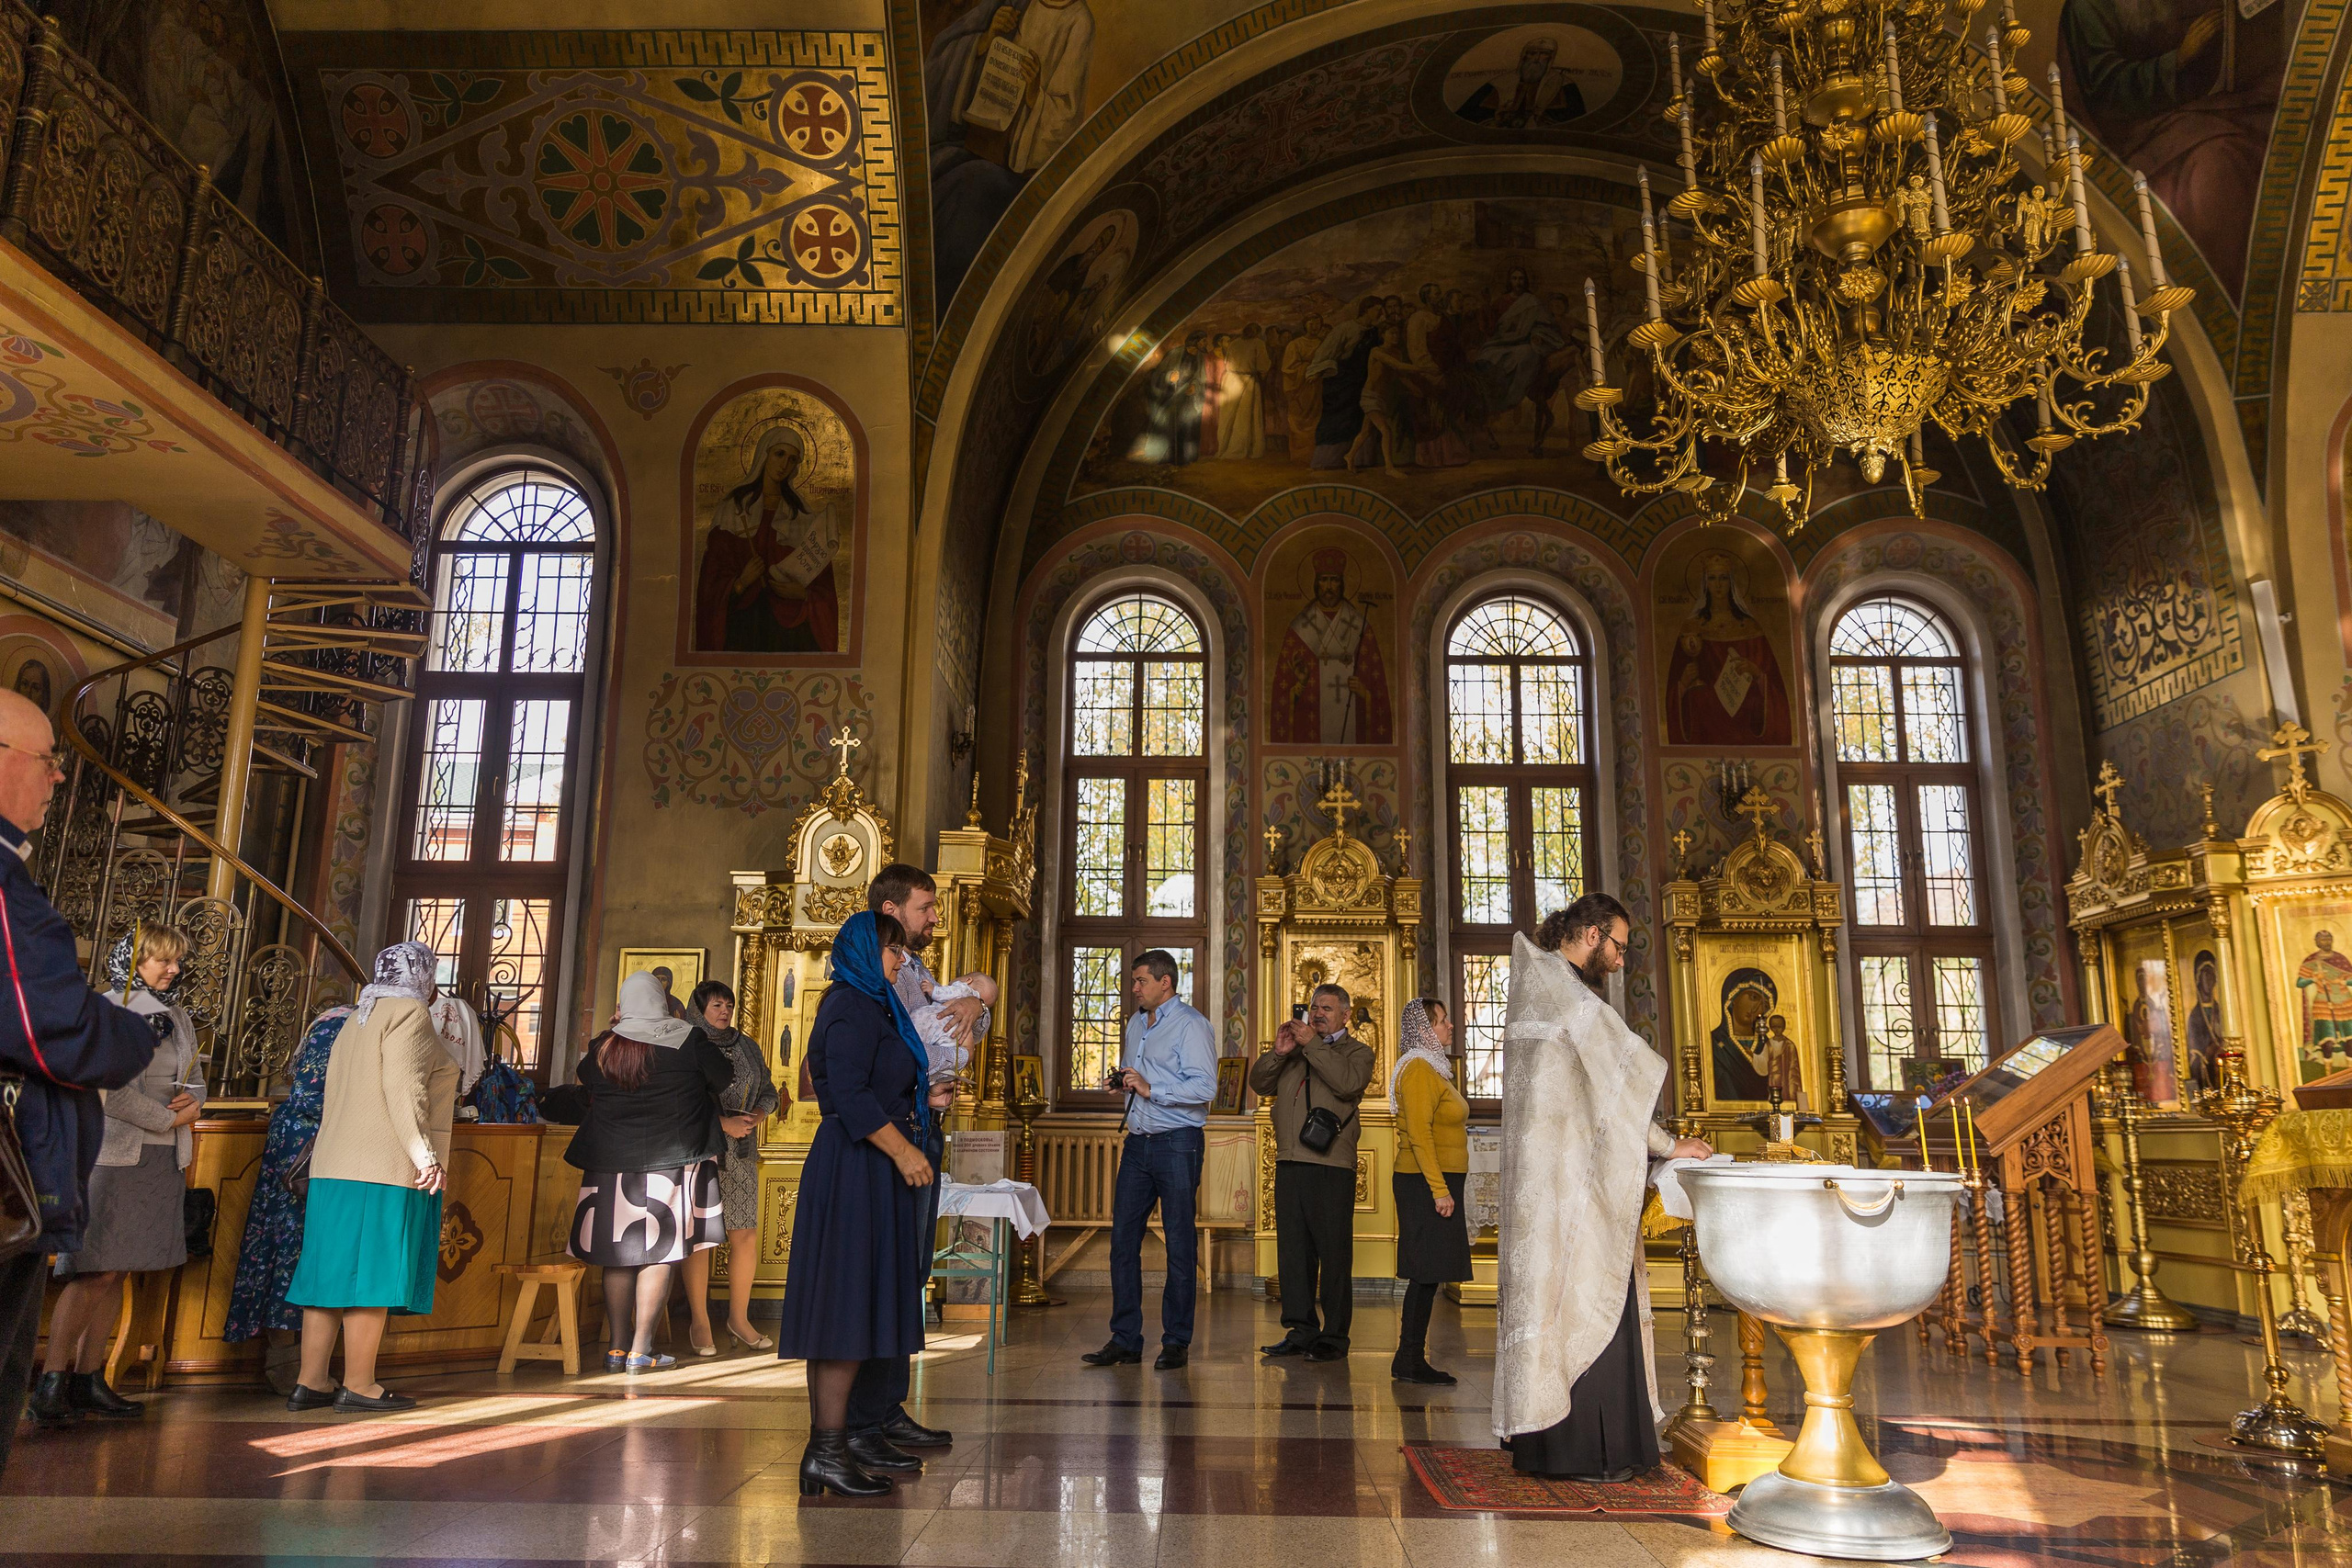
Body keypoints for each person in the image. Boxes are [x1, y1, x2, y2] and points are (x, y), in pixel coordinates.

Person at [0, 687, 173, 1473]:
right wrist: (135, 1033)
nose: (59, 777)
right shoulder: (6, 887)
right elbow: (55, 1029)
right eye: (47, 760)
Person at [1494, 894, 1713, 1482]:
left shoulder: (1538, 982)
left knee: (1557, 1301)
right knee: (1592, 1294)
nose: (1621, 962)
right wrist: (1671, 1146)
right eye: (1619, 946)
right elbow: (1620, 1089)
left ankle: (1543, 1441)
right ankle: (1587, 1450)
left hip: (1552, 1181)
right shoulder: (1566, 995)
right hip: (1570, 1190)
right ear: (1591, 934)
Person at [775, 910, 956, 1497]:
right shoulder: (849, 1005)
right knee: (845, 1305)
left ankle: (848, 1440)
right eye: (892, 951)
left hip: (875, 1168)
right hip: (856, 1166)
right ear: (862, 951)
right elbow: (848, 1096)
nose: (902, 960)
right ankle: (825, 1449)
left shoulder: (877, 1005)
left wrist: (922, 1097)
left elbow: (876, 1081)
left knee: (868, 1301)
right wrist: (904, 1149)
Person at [31, 925, 204, 1425]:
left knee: (120, 1270)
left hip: (162, 1157)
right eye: (162, 961)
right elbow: (110, 1089)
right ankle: (51, 1383)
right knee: (92, 1271)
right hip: (112, 1157)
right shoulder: (108, 1011)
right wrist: (168, 1117)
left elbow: (195, 1079)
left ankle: (89, 1380)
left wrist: (194, 1102)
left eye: (177, 961)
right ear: (134, 961)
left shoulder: (176, 1014)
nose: (173, 969)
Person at [841, 864, 983, 1456]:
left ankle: (883, 1407)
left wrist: (974, 1000)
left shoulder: (913, 970)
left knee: (909, 1272)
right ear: (891, 911)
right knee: (884, 1273)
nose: (934, 918)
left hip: (919, 1130)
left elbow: (947, 1018)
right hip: (890, 1142)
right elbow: (840, 1081)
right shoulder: (863, 991)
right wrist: (917, 1094)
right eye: (925, 907)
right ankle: (861, 1419)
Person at [283, 942, 460, 1415]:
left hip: (333, 1165)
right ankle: (360, 1383)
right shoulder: (409, 1013)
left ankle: (311, 1381)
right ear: (421, 974)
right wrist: (423, 1155)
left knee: (329, 1274)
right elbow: (406, 1089)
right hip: (380, 1166)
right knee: (371, 1275)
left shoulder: (359, 1015)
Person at [567, 971, 731, 1371]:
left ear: (623, 1005)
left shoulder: (605, 1045)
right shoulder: (687, 1039)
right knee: (661, 1253)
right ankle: (643, 1350)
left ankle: (616, 1349)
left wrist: (616, 1030)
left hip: (610, 1164)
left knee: (618, 1257)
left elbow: (585, 1080)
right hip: (671, 1161)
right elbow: (723, 1078)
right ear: (661, 1000)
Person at [1081, 950, 1217, 1371]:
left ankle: (1176, 1341)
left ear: (1165, 983)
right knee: (1122, 1242)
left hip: (1178, 1143)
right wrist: (1122, 1082)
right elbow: (1138, 1076)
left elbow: (1205, 1087)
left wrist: (1150, 1087)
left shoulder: (1192, 1025)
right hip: (1138, 1144)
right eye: (1134, 980)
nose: (1134, 988)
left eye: (1140, 981)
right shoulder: (1137, 1022)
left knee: (1179, 1242)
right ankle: (1125, 1338)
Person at [224, 1003, 351, 1390]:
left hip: (317, 1146)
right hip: (303, 1150)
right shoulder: (336, 1028)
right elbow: (310, 1095)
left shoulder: (351, 1024)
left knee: (307, 1252)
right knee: (290, 1250)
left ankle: (305, 1364)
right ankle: (285, 1360)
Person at [1250, 982, 1374, 1362]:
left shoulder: (1359, 1052)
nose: (1318, 1013)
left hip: (1330, 1166)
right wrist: (1279, 1052)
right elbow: (1258, 1083)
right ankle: (1301, 1330)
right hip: (1289, 1162)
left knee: (1333, 1254)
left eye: (1327, 1008)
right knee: (1294, 1254)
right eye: (1314, 1007)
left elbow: (1348, 1083)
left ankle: (1334, 1337)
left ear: (1345, 1015)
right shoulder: (1296, 1051)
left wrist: (1313, 1046)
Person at [681, 978, 781, 1355]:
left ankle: (738, 1319)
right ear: (699, 1010)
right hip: (701, 1152)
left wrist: (758, 1113)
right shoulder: (687, 1044)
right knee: (701, 1240)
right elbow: (682, 1101)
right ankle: (700, 1321)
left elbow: (769, 1090)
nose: (724, 1012)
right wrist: (723, 1123)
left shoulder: (747, 1046)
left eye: (728, 1005)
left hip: (740, 1155)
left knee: (744, 1237)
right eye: (715, 1006)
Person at [1389, 998, 1470, 1386]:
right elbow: (1419, 1134)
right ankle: (1408, 1359)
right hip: (1425, 1182)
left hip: (1434, 1180)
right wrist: (1439, 1190)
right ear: (1424, 1029)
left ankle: (1409, 1357)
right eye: (1442, 1021)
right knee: (1424, 1273)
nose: (1449, 1026)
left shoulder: (1433, 1068)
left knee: (1430, 1273)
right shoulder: (1420, 1068)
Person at [910, 970, 998, 1087]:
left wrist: (933, 990)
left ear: (968, 980)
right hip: (949, 1035)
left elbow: (944, 993)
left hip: (933, 1023)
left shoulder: (963, 988)